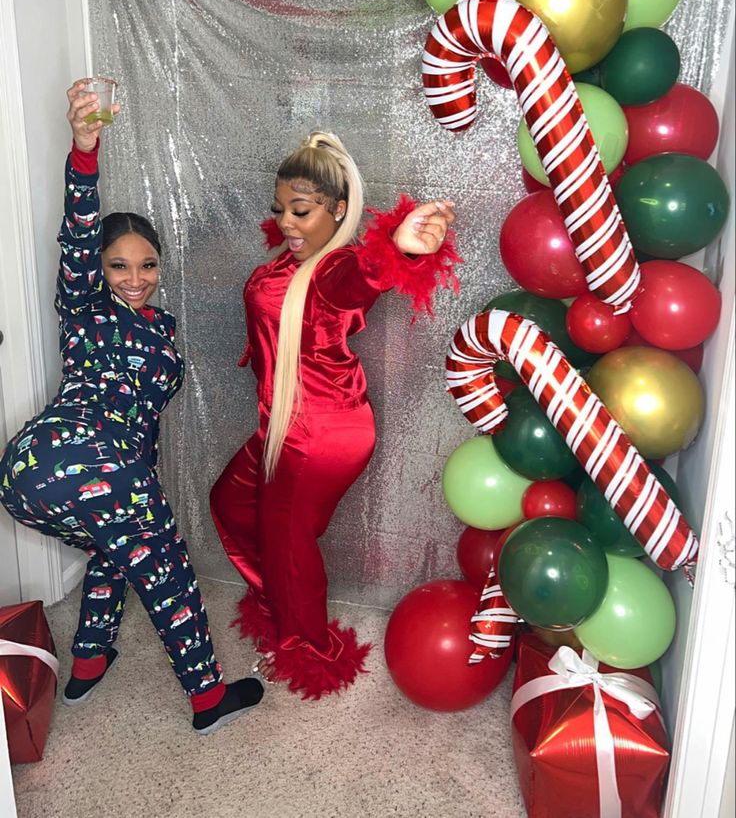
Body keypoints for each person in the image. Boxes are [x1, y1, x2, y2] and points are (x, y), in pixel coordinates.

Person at [0, 80, 264, 734]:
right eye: (119, 266)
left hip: (51, 473)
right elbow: (79, 232)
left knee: (119, 546)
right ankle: (207, 699)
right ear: (100, 272)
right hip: (65, 446)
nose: (135, 278)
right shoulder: (86, 308)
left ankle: (88, 662)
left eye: (147, 265)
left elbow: (142, 418)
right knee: (163, 562)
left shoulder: (160, 324)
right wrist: (85, 149)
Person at [210, 131, 459, 700]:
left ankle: (306, 648)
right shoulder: (293, 260)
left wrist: (398, 247)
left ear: (339, 211)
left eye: (301, 211)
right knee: (231, 502)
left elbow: (361, 280)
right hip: (286, 422)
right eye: (281, 211)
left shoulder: (333, 269)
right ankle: (279, 596)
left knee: (289, 538)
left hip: (322, 431)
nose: (288, 224)